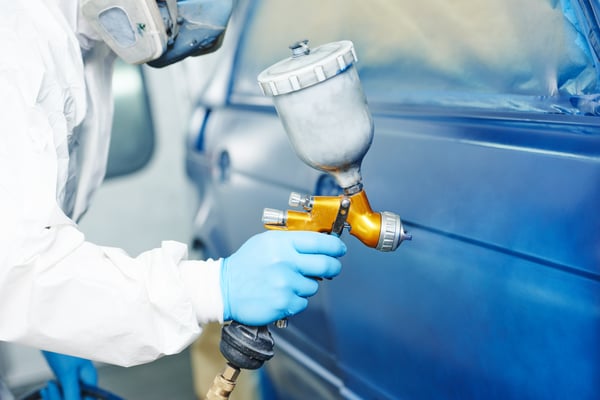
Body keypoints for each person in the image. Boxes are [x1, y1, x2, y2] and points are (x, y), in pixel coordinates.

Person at [0, 0, 346, 398]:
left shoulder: (86, 39)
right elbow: (15, 266)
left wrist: (56, 330)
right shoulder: (14, 44)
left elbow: (28, 224)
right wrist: (213, 288)